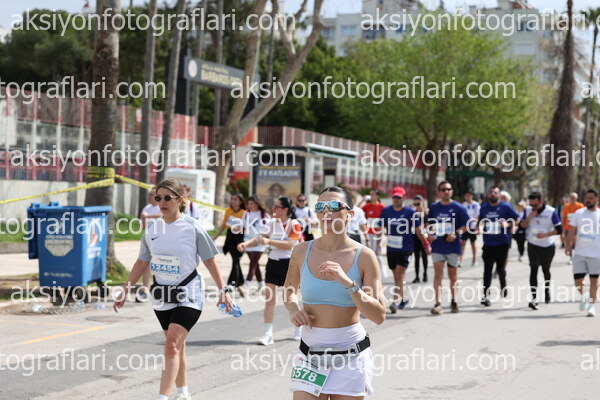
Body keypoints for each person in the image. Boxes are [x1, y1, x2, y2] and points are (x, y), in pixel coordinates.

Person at [113, 178, 234, 400]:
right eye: (158, 197)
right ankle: (184, 392)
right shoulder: (152, 228)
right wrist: (125, 288)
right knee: (177, 346)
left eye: (167, 198)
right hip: (162, 294)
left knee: (171, 345)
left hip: (189, 293)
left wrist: (223, 290)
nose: (162, 202)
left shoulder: (192, 226)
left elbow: (209, 260)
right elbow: (142, 261)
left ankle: (163, 397)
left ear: (180, 200)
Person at [284, 186, 385, 399]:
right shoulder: (301, 251)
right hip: (309, 353)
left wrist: (348, 283)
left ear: (350, 214)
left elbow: (378, 315)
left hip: (351, 354)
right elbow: (289, 291)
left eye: (334, 206)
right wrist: (293, 310)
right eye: (320, 206)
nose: (326, 211)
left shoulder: (365, 257)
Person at [238, 197, 303, 345]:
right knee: (269, 300)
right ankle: (268, 334)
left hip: (289, 264)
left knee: (290, 299)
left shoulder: (294, 224)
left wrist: (269, 242)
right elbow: (260, 238)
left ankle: (299, 329)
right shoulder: (272, 223)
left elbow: (290, 244)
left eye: (276, 207)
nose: (273, 209)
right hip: (272, 263)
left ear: (285, 209)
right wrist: (245, 244)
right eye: (273, 206)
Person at [380, 187, 430, 313]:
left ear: (404, 198)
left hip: (406, 248)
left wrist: (426, 244)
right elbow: (380, 228)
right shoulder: (386, 211)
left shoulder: (410, 212)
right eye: (394, 197)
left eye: (399, 197)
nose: (396, 199)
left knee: (400, 274)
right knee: (396, 275)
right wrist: (376, 244)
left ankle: (395, 301)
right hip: (391, 248)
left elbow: (418, 230)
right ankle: (405, 297)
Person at [425, 181, 469, 315]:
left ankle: (454, 301)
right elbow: (428, 223)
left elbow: (466, 226)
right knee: (438, 274)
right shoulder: (434, 207)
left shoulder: (459, 208)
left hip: (453, 246)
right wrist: (430, 234)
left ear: (452, 191)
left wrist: (455, 233)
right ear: (439, 192)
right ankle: (438, 303)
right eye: (443, 189)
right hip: (438, 245)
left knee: (453, 275)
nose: (446, 192)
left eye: (448, 189)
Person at [477, 186, 519, 306]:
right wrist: (477, 227)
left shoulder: (506, 206)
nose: (493, 194)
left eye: (495, 192)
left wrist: (508, 224)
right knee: (487, 270)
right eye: (491, 192)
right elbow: (480, 219)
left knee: (500, 269)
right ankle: (486, 296)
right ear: (488, 195)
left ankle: (503, 284)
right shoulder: (484, 207)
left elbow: (517, 219)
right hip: (488, 243)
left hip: (502, 243)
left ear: (499, 195)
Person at [519, 192, 562, 310]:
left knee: (545, 270)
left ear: (541, 202)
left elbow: (559, 229)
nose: (533, 207)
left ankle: (547, 290)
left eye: (535, 205)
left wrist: (545, 235)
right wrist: (529, 217)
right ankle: (534, 298)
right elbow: (522, 226)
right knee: (533, 269)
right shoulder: (528, 210)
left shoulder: (550, 211)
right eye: (531, 205)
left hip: (547, 246)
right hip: (533, 244)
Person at [565, 189, 600, 317]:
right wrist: (568, 245)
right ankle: (585, 295)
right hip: (580, 253)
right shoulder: (579, 213)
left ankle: (591, 307)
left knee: (594, 281)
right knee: (577, 281)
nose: (588, 200)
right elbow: (571, 230)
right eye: (587, 198)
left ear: (596, 200)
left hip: (596, 254)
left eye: (591, 198)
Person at [212, 193, 246, 297]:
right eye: (232, 199)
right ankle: (238, 283)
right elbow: (223, 225)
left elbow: (247, 226)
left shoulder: (244, 213)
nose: (232, 201)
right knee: (235, 260)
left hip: (240, 238)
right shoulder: (228, 211)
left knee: (236, 260)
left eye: (235, 199)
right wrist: (216, 236)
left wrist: (240, 228)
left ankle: (233, 283)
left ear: (240, 201)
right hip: (230, 237)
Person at [241, 195, 268, 291]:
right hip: (248, 242)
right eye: (249, 203)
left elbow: (267, 229)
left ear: (257, 204)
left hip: (259, 242)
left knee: (252, 264)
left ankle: (246, 285)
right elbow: (243, 225)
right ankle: (261, 285)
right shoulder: (246, 214)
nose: (250, 205)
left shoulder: (264, 215)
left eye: (252, 203)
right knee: (255, 264)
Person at [139, 186, 162, 298]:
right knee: (146, 263)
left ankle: (160, 285)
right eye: (149, 195)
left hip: (162, 239)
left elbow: (163, 216)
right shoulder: (146, 208)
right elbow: (143, 226)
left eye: (152, 195)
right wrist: (144, 219)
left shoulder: (162, 207)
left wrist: (148, 217)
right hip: (150, 239)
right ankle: (145, 288)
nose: (149, 197)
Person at [362, 190, 387, 279]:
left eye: (373, 194)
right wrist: (363, 200)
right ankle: (371, 272)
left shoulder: (382, 207)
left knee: (378, 253)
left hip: (378, 233)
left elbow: (385, 220)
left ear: (377, 196)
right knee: (369, 253)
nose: (371, 196)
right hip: (369, 233)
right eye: (370, 194)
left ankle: (382, 273)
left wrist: (385, 229)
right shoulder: (367, 206)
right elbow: (356, 210)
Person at [562, 192, 584, 265]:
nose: (572, 199)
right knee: (569, 243)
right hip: (568, 227)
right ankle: (571, 258)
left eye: (573, 197)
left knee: (576, 242)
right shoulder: (566, 206)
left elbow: (584, 217)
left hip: (577, 228)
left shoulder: (580, 206)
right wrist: (563, 228)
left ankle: (577, 257)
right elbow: (563, 217)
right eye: (571, 197)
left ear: (576, 198)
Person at [460, 191, 480, 267]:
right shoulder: (463, 205)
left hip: (473, 227)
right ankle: (460, 260)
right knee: (463, 243)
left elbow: (478, 215)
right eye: (466, 196)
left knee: (473, 243)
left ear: (472, 196)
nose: (467, 197)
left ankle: (474, 259)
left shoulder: (476, 205)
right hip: (465, 227)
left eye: (469, 195)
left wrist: (476, 226)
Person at [412, 195, 429, 283]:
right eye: (415, 204)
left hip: (424, 236)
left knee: (424, 256)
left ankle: (425, 274)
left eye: (418, 204)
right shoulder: (413, 213)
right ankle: (417, 276)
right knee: (416, 257)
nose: (416, 206)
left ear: (422, 202)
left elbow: (429, 225)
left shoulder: (426, 212)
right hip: (415, 237)